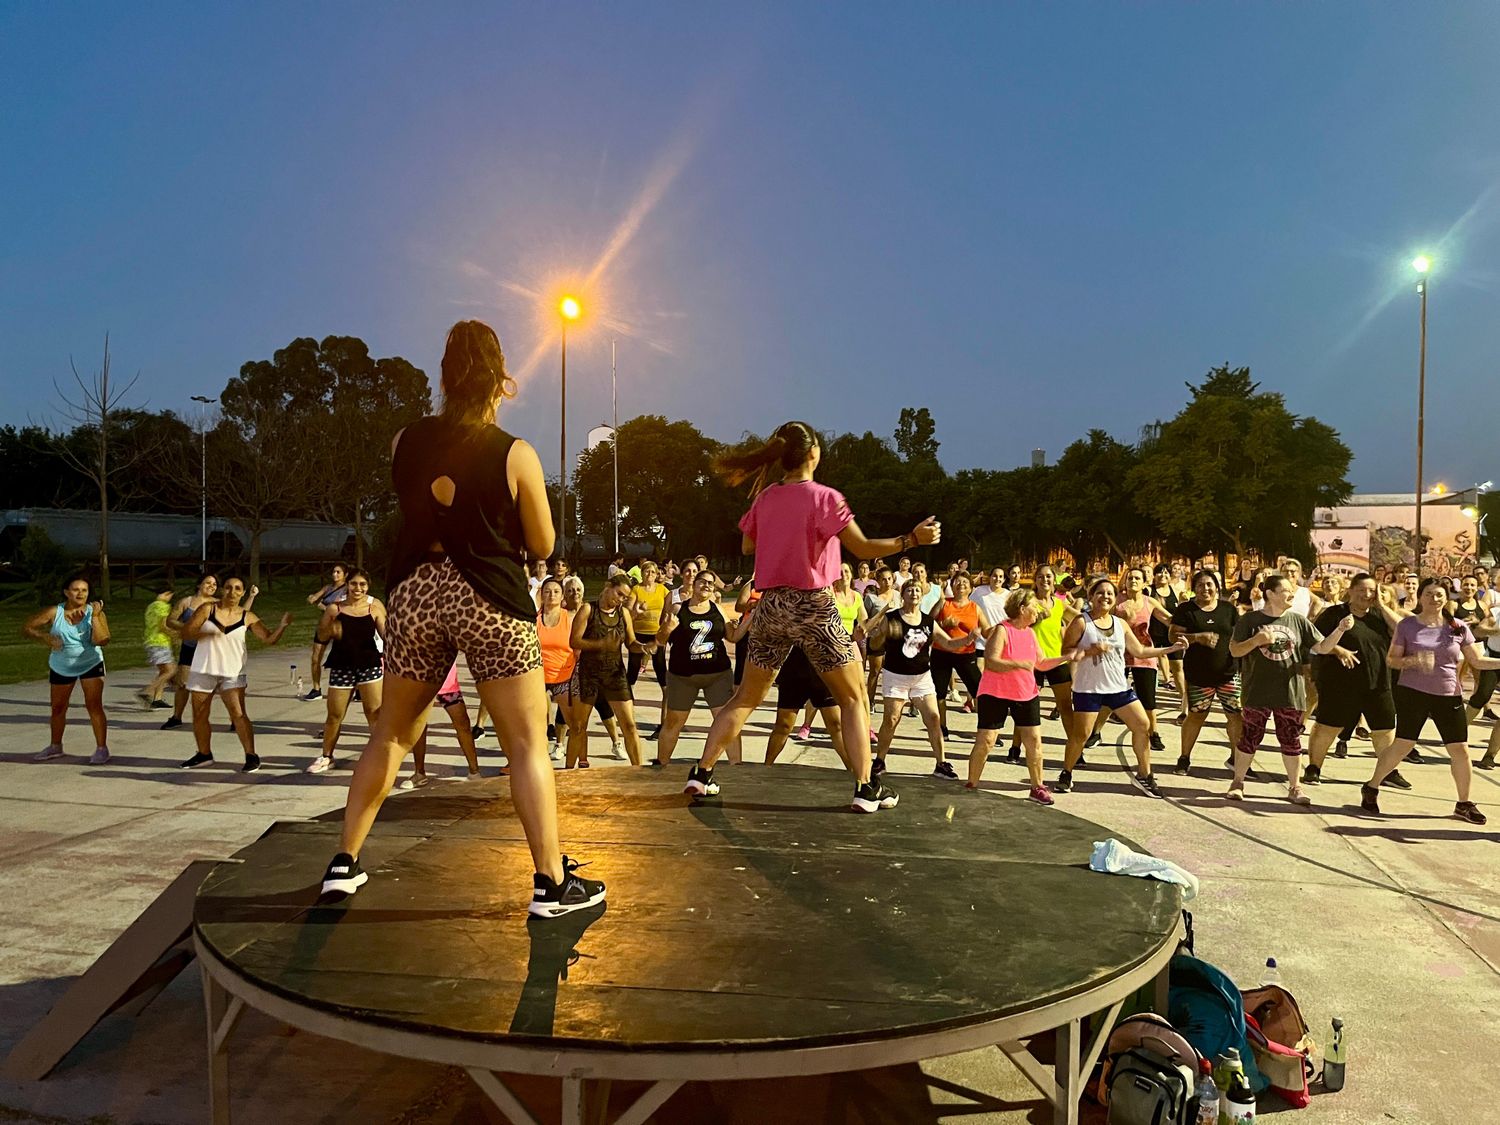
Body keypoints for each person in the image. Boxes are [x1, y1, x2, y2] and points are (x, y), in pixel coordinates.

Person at [318, 320, 604, 918]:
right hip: (489, 597)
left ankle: (343, 862)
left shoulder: (404, 441)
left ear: (444, 376)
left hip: (416, 591)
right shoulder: (515, 453)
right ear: (501, 380)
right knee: (526, 745)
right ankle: (551, 884)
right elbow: (544, 543)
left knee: (392, 733)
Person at [683, 420, 938, 811]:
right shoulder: (826, 498)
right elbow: (865, 548)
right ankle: (866, 788)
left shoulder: (766, 497)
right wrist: (911, 540)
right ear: (814, 453)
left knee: (744, 699)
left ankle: (701, 775)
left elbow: (748, 546)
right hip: (814, 605)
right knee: (853, 699)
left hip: (771, 606)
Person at [1360, 577, 1500, 824]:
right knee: (1402, 744)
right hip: (1413, 692)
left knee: (1460, 750)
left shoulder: (1457, 627)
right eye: (1429, 594)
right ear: (1421, 597)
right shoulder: (1408, 626)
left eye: (1439, 595)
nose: (1434, 599)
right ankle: (1371, 787)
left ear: (1446, 598)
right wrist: (1413, 661)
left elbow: (1477, 661)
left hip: (1449, 694)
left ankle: (1464, 803)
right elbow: (1392, 660)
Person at [1055, 578, 1185, 798]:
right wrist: (1089, 651)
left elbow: (1141, 652)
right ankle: (1066, 773)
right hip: (1089, 689)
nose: (1105, 597)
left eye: (1110, 594)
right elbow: (1066, 652)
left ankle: (1145, 774)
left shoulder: (1121, 624)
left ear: (1115, 600)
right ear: (1091, 597)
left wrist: (1171, 648)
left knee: (1142, 725)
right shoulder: (1081, 622)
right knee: (1081, 735)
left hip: (1118, 687)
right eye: (1100, 593)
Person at [1225, 575, 1349, 804]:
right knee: (1250, 736)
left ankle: (1295, 787)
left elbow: (1322, 647)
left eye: (1292, 591)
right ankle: (1238, 782)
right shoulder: (1250, 621)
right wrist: (1256, 641)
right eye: (1286, 591)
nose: (1292, 594)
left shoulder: (1298, 621)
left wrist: (1340, 630)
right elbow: (1234, 651)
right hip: (1257, 690)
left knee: (1291, 738)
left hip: (1290, 692)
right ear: (1270, 594)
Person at [1304, 573, 1409, 787]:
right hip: (1340, 684)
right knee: (1327, 726)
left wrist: (1381, 604)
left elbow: (1404, 630)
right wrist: (1337, 649)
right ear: (1350, 590)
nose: (1367, 595)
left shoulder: (1381, 616)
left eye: (1372, 591)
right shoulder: (1333, 614)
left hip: (1378, 683)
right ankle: (1313, 768)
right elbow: (1314, 641)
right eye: (1361, 590)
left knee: (1384, 729)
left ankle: (1388, 772)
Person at [179, 575, 292, 773]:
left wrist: (282, 626)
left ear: (243, 593)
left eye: (238, 589)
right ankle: (204, 754)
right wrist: (203, 634)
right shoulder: (208, 609)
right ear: (223, 590)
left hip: (232, 672)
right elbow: (187, 632)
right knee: (199, 714)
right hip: (204, 669)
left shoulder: (247, 616)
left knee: (239, 715)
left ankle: (251, 755)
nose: (232, 592)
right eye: (229, 587)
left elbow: (268, 639)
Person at [866, 577, 969, 779]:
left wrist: (969, 638)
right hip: (896, 676)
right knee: (892, 719)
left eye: (917, 591)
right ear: (902, 595)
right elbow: (876, 645)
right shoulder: (892, 617)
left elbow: (947, 643)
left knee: (933, 718)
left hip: (921, 677)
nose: (914, 593)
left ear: (922, 596)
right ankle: (879, 761)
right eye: (910, 590)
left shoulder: (928, 621)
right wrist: (881, 634)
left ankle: (941, 763)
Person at [965, 588, 1057, 803]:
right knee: (986, 740)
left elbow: (1041, 663)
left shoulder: (1030, 633)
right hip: (995, 692)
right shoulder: (1002, 630)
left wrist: (1068, 657)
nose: (1038, 611)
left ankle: (1037, 787)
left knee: (1033, 740)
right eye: (1034, 606)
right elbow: (991, 661)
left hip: (1025, 693)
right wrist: (1019, 664)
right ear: (1022, 608)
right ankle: (971, 784)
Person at [652, 569, 739, 767]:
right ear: (694, 584)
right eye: (702, 581)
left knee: (727, 721)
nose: (706, 585)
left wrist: (751, 617)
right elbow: (660, 640)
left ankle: (737, 765)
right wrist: (667, 628)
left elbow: (732, 636)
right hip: (683, 676)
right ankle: (660, 765)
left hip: (717, 675)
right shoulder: (677, 608)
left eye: (710, 582)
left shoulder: (718, 609)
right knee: (674, 722)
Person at [304, 568, 387, 774]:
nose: (358, 588)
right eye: (354, 584)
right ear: (347, 585)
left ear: (368, 587)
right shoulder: (334, 609)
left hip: (369, 664)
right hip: (342, 665)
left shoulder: (375, 608)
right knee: (334, 715)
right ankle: (326, 756)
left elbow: (387, 637)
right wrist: (331, 629)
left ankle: (379, 757)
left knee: (374, 714)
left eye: (362, 585)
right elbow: (322, 636)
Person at [26, 575, 111, 764]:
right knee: (58, 708)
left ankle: (101, 749)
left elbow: (103, 640)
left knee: (94, 705)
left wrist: (95, 618)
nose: (80, 593)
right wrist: (45, 637)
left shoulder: (94, 612)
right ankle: (55, 746)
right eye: (76, 589)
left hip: (90, 663)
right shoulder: (54, 612)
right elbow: (28, 627)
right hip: (62, 665)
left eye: (84, 590)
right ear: (66, 592)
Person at [1088, 567, 1174, 753]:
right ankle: (1095, 732)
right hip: (1117, 656)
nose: (1133, 581)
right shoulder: (1116, 601)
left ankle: (1154, 734)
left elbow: (1169, 620)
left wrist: (1188, 622)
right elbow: (1099, 617)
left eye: (1137, 578)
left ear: (1144, 583)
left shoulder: (1149, 602)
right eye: (1129, 578)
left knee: (1148, 699)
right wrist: (1121, 617)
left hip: (1143, 655)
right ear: (1125, 582)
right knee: (1108, 697)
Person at [566, 573, 645, 767]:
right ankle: (566, 772)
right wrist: (601, 643)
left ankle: (639, 772)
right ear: (608, 585)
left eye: (625, 597)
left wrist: (646, 646)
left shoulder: (623, 613)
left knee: (629, 725)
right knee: (578, 727)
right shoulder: (588, 609)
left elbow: (631, 642)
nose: (621, 600)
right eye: (619, 594)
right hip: (589, 674)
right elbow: (574, 641)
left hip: (615, 674)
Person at [1170, 570, 1244, 775]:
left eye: (1209, 584)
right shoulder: (1186, 610)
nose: (1205, 589)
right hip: (1198, 675)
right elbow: (1172, 636)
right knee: (1196, 715)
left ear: (1217, 587)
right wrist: (1197, 637)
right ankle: (1184, 757)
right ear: (1194, 589)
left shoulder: (1228, 609)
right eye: (1200, 585)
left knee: (1236, 715)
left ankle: (1236, 758)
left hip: (1229, 673)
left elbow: (1239, 636)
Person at [398, 662, 484, 787]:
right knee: (419, 725)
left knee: (462, 723)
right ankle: (419, 773)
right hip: (421, 680)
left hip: (447, 684)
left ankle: (474, 772)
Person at [1024, 563, 1080, 756]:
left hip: (1057, 660)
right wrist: (1034, 619)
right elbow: (1015, 623)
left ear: (1054, 580)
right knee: (1027, 706)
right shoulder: (1028, 600)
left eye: (1048, 576)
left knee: (1065, 705)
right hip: (1033, 661)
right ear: (1035, 580)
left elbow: (1079, 618)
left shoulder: (1059, 603)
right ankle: (1016, 748)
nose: (1045, 580)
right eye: (1040, 576)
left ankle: (1076, 748)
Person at [160, 574, 221, 730]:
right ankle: (176, 717)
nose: (212, 586)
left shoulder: (218, 604)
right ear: (199, 584)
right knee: (182, 684)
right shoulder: (187, 602)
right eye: (208, 583)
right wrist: (187, 628)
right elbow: (170, 620)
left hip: (210, 650)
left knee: (217, 685)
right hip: (190, 647)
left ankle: (232, 719)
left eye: (214, 584)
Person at [931, 571, 987, 739]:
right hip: (941, 652)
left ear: (970, 588)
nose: (961, 584)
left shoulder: (975, 608)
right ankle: (942, 728)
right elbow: (926, 623)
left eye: (965, 582)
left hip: (966, 654)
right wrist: (943, 624)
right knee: (939, 692)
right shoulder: (943, 603)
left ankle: (984, 729)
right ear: (951, 586)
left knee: (978, 691)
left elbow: (987, 629)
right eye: (957, 582)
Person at [626, 561, 670, 739]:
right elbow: (628, 614)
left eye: (653, 572)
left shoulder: (663, 589)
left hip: (657, 636)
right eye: (646, 571)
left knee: (663, 677)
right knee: (631, 676)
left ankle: (664, 725)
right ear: (642, 573)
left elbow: (669, 610)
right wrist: (637, 610)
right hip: (638, 636)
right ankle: (627, 720)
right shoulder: (636, 590)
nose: (650, 574)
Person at [535, 576, 576, 762]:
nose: (551, 595)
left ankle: (566, 751)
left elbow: (579, 647)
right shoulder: (533, 619)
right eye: (547, 591)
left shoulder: (570, 618)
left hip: (564, 675)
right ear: (541, 595)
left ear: (562, 597)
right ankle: (537, 756)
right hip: (538, 677)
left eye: (556, 591)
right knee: (537, 721)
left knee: (571, 721)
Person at [302, 564, 349, 701]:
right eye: (333, 571)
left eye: (338, 572)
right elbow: (313, 598)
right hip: (324, 626)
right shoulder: (328, 588)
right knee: (315, 657)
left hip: (340, 626)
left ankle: (356, 688)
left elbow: (344, 607)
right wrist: (312, 597)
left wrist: (324, 607)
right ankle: (316, 689)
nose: (335, 574)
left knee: (348, 658)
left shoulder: (348, 589)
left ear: (345, 575)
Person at [140, 585, 177, 708]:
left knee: (163, 671)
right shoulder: (163, 607)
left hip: (150, 640)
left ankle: (157, 698)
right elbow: (163, 625)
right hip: (160, 642)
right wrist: (175, 635)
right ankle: (147, 691)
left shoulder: (151, 606)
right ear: (167, 593)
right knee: (171, 670)